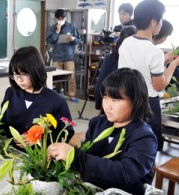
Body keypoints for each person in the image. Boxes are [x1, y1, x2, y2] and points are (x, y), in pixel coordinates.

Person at [48, 68, 157, 195]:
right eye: (105, 97)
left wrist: (75, 157)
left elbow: (125, 173)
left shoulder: (144, 137)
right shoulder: (97, 123)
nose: (107, 106)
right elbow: (87, 159)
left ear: (137, 101)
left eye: (115, 100)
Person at [118, 0, 179, 151]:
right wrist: (173, 64)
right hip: (147, 104)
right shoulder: (154, 51)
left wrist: (164, 59)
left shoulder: (126, 42)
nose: (161, 23)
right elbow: (159, 86)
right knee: (148, 146)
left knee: (128, 142)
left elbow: (139, 68)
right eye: (161, 20)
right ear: (153, 22)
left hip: (127, 99)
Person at [0, 46, 74, 148]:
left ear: (36, 71)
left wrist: (39, 140)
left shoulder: (56, 101)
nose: (19, 80)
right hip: (11, 152)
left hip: (39, 157)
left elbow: (66, 134)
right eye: (15, 75)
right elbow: (3, 123)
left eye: (24, 75)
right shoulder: (11, 93)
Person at [95, 26, 137, 110]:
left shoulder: (110, 58)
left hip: (110, 103)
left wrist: (99, 104)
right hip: (129, 105)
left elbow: (101, 83)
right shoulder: (137, 58)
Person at [46, 9, 80, 103]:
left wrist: (73, 39)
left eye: (62, 18)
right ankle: (56, 94)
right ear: (56, 18)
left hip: (69, 56)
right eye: (59, 18)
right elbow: (49, 40)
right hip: (57, 57)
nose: (60, 20)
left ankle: (72, 95)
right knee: (56, 78)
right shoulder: (52, 28)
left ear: (65, 17)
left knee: (71, 77)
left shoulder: (71, 27)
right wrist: (57, 31)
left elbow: (78, 40)